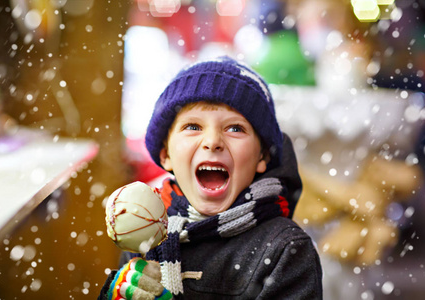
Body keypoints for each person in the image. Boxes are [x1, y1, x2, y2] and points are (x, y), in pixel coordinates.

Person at [99, 56, 323, 299]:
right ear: (166, 155)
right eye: (193, 126)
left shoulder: (285, 249)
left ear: (262, 157)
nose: (213, 141)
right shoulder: (145, 227)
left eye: (235, 128)